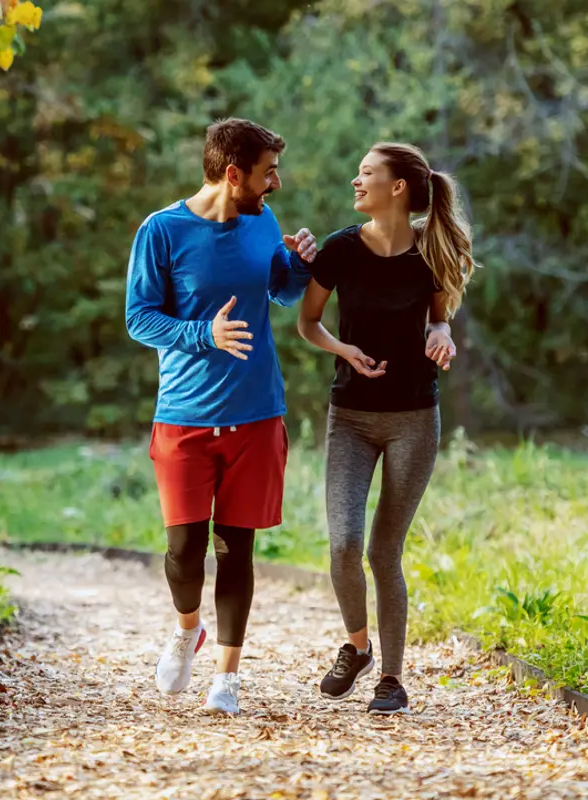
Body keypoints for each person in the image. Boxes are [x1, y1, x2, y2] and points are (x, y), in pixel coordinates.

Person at [126, 118, 317, 715]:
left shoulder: (264, 222)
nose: (276, 183)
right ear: (233, 174)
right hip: (184, 416)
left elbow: (279, 293)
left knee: (237, 550)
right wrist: (202, 334)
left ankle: (227, 678)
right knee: (184, 552)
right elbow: (139, 318)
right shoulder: (162, 231)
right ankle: (188, 630)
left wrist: (299, 267)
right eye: (267, 173)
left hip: (257, 414)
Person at [297, 142, 477, 714]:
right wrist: (344, 350)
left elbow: (440, 317)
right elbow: (307, 321)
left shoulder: (431, 250)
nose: (356, 181)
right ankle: (356, 647)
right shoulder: (341, 249)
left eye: (367, 173)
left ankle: (392, 681)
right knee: (344, 542)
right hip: (349, 415)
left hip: (414, 421)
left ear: (397, 187)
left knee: (383, 551)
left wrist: (443, 334)